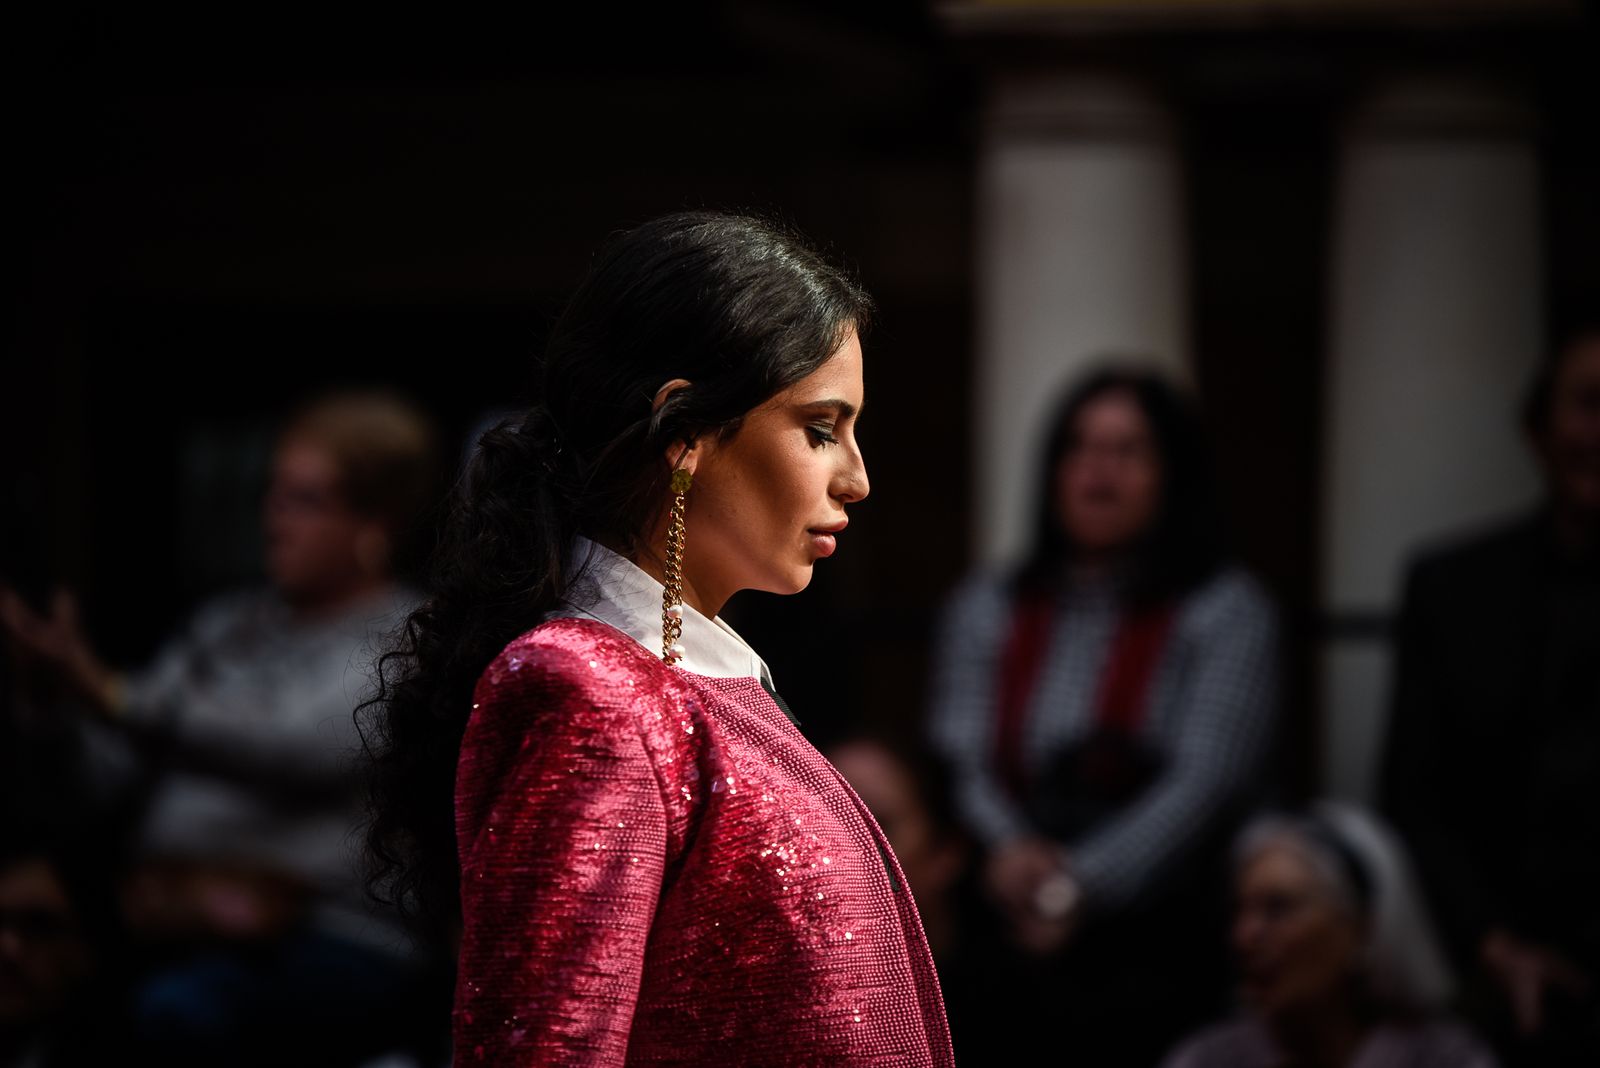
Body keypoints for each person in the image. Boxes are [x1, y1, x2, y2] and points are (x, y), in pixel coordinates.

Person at [360, 211, 954, 1065]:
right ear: (685, 434)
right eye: (821, 429)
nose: (857, 478)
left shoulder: (702, 682)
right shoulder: (586, 691)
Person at [0, 390, 441, 1066]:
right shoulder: (227, 625)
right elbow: (103, 781)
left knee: (173, 1012)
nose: (274, 520)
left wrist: (111, 693)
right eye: (273, 495)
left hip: (325, 937)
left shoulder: (406, 637)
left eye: (305, 500)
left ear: (372, 522)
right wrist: (54, 702)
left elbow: (304, 747)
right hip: (168, 916)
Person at [926, 366, 1281, 1065]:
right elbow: (958, 756)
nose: (1099, 472)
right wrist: (1010, 857)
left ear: (1172, 474)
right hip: (1009, 905)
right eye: (1081, 449)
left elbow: (1206, 786)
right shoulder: (989, 602)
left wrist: (1077, 886)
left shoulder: (1226, 609)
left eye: (1128, 451)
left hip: (1164, 923)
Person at [1379, 326, 1600, 1065]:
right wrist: (1492, 946)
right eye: (1589, 404)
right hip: (1481, 991)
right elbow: (1413, 793)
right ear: (1538, 429)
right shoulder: (1451, 587)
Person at [1162, 802, 1498, 1068]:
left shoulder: (1442, 1057)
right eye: (1240, 911)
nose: (1244, 935)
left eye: (1278, 909)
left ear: (1361, 928)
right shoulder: (1210, 1058)